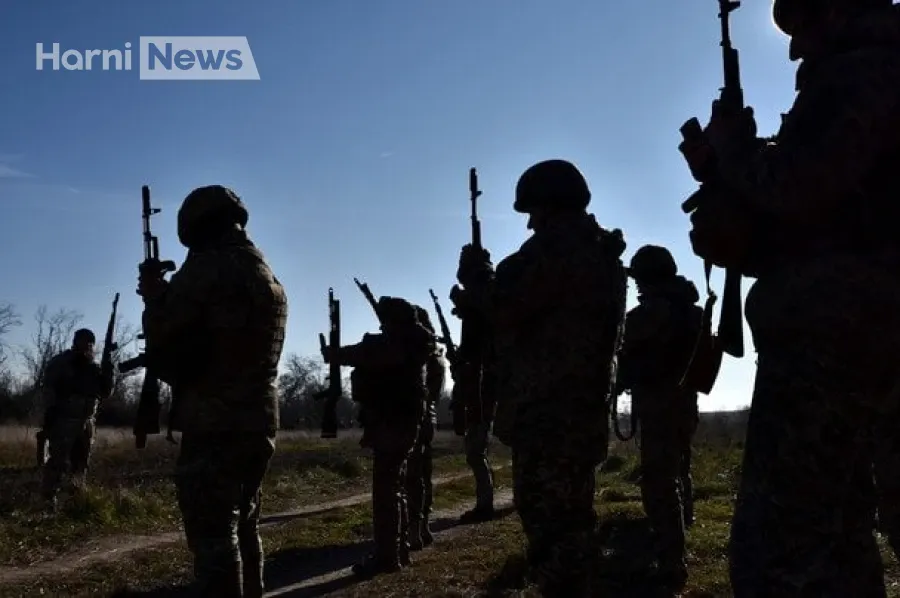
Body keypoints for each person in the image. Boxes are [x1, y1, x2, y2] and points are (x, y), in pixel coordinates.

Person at [680, 1, 900, 594]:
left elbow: (801, 185)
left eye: (801, 27)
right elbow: (814, 215)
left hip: (840, 333)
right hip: (849, 328)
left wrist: (738, 150)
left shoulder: (863, 73)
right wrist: (726, 182)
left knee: (781, 547)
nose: (794, 50)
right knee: (837, 531)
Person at [451, 159, 627, 596]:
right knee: (570, 524)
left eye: (533, 212)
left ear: (550, 206)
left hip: (551, 412)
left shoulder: (560, 249)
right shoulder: (598, 250)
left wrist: (476, 277)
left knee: (553, 533)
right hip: (575, 410)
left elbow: (505, 306)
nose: (529, 224)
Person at [137, 185, 288, 598]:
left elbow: (167, 335)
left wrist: (153, 298)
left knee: (213, 534)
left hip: (215, 418)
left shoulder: (207, 269)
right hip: (260, 418)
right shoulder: (267, 275)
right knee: (245, 522)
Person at [326, 296, 433, 577]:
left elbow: (367, 353)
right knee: (395, 488)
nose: (382, 326)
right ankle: (397, 551)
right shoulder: (412, 342)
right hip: (401, 423)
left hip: (392, 424)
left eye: (385, 320)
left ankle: (387, 558)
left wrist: (335, 354)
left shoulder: (397, 345)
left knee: (385, 492)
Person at [616, 245, 703, 590]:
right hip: (684, 403)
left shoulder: (649, 313)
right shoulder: (691, 310)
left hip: (659, 404)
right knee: (680, 469)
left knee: (659, 483)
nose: (637, 286)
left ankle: (671, 562)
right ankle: (683, 527)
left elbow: (622, 347)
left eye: (639, 278)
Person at [39, 328, 114, 507]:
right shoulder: (61, 363)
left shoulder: (95, 367)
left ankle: (76, 501)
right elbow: (49, 389)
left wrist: (109, 369)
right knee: (57, 463)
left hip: (87, 422)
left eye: (90, 343)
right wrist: (49, 415)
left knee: (81, 463)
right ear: (75, 341)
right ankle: (48, 503)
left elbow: (106, 392)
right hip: (64, 419)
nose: (87, 346)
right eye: (83, 341)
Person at [406, 305, 444, 550]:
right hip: (429, 418)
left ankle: (413, 529)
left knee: (412, 476)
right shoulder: (436, 354)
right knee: (424, 475)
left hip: (415, 416)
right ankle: (423, 526)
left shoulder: (418, 351)